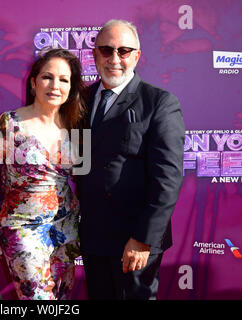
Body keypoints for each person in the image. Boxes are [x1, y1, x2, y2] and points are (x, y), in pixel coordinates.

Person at [77, 19, 185, 300]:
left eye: (124, 51)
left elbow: (168, 179)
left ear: (136, 56)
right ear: (94, 54)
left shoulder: (159, 102)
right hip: (93, 237)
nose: (114, 59)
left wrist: (143, 238)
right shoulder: (80, 99)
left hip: (135, 239)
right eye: (106, 50)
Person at [0, 48, 86, 300]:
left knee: (61, 298)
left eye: (64, 80)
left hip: (64, 230)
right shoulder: (8, 123)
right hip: (22, 229)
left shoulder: (76, 127)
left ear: (71, 88)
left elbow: (85, 181)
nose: (55, 86)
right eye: (47, 77)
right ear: (33, 83)